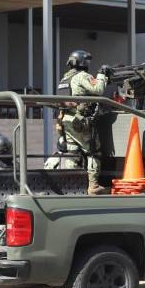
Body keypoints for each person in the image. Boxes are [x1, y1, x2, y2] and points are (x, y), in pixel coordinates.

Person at [56, 49, 110, 195]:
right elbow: (98, 89)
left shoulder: (64, 79)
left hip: (66, 121)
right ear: (83, 62)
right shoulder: (82, 76)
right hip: (80, 122)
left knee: (72, 152)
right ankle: (93, 186)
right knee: (94, 151)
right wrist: (102, 75)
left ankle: (70, 185)